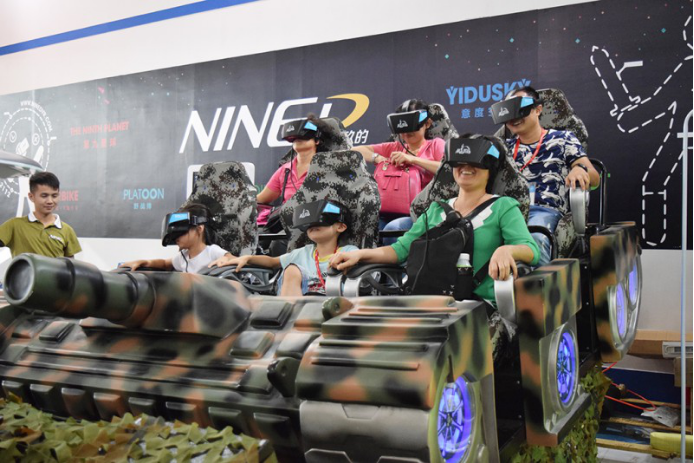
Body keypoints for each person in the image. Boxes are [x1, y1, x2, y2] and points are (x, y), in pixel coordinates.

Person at [330, 135, 539, 305]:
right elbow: (400, 250)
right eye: (459, 162)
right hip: (428, 304)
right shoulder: (436, 209)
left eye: (475, 162)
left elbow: (531, 250)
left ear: (490, 168)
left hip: (474, 308)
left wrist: (507, 250)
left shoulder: (503, 206)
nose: (465, 167)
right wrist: (359, 254)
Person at [490, 86, 600, 265]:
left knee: (535, 239)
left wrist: (580, 169)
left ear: (538, 109)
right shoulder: (502, 148)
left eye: (520, 110)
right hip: (507, 211)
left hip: (543, 210)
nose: (514, 119)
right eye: (509, 113)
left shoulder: (563, 138)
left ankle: (536, 282)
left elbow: (595, 179)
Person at [210, 199, 358, 296]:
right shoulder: (302, 253)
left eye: (319, 224)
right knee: (292, 269)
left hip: (333, 304)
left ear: (340, 227)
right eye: (309, 226)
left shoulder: (349, 252)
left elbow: (364, 263)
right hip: (300, 308)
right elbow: (272, 262)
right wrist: (247, 258)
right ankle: (289, 319)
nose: (312, 227)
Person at [352, 99, 445, 236]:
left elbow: (447, 168)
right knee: (364, 225)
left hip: (423, 212)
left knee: (394, 227)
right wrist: (378, 158)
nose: (406, 132)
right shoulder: (395, 147)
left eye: (412, 127)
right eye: (403, 128)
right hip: (387, 210)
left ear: (427, 123)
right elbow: (355, 150)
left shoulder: (436, 145)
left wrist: (413, 159)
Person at [256, 115, 343, 211]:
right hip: (288, 218)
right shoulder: (285, 170)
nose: (298, 139)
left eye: (304, 136)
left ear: (317, 141)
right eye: (295, 138)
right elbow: (260, 199)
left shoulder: (328, 167)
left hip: (317, 217)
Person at [120, 203, 231, 273]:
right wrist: (144, 262)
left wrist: (226, 259)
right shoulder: (183, 256)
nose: (176, 236)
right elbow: (165, 264)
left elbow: (231, 258)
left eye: (181, 231)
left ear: (199, 229)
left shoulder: (211, 252)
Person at [0, 171, 82, 258]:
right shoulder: (14, 225)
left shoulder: (67, 230)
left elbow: (69, 263)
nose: (50, 201)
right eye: (44, 196)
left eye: (54, 196)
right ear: (31, 196)